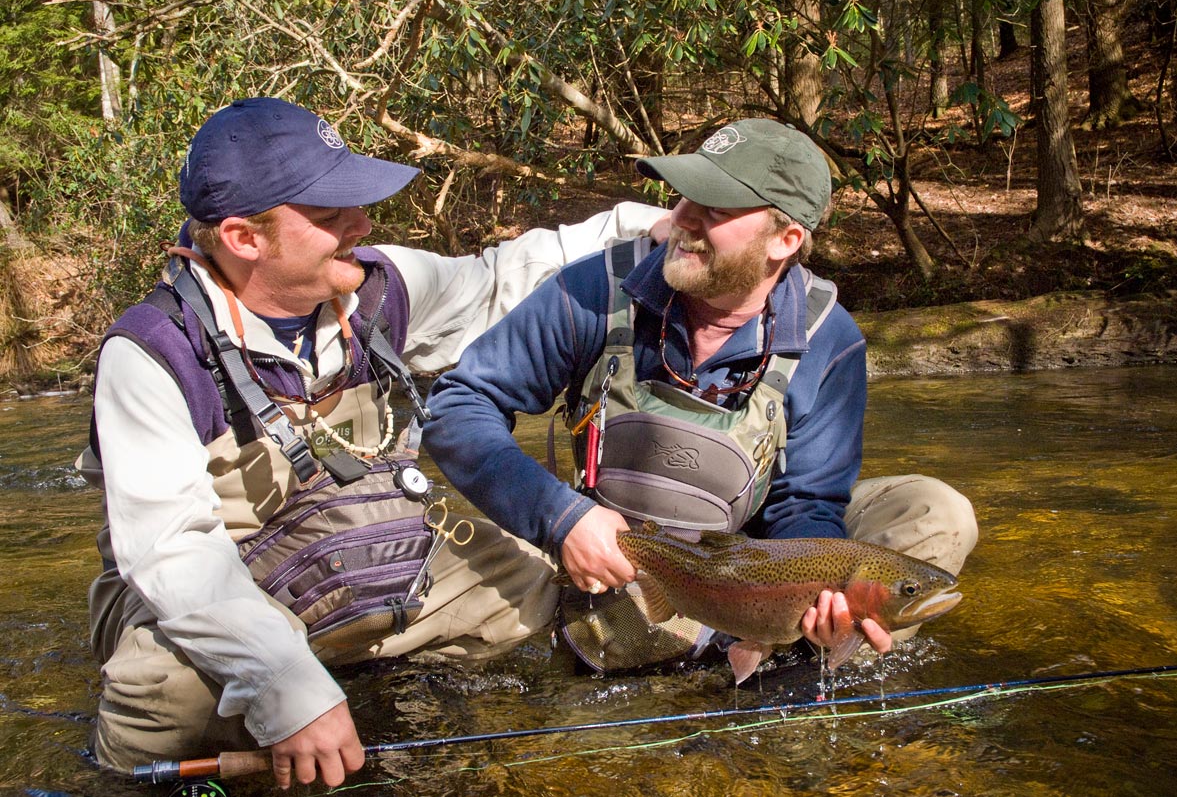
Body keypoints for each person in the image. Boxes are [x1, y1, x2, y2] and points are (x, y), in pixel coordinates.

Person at [75, 97, 668, 788]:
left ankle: (386, 695)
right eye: (330, 216)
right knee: (163, 695)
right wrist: (290, 686)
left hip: (353, 549)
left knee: (529, 585)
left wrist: (643, 229)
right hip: (214, 582)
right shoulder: (151, 352)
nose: (362, 223)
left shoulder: (377, 288)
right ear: (243, 237)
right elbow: (175, 554)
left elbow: (499, 280)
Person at [423, 119, 978, 675]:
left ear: (785, 241)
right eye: (686, 195)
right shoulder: (595, 291)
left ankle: (786, 660)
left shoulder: (830, 341)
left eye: (715, 209)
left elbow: (806, 503)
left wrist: (818, 598)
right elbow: (457, 404)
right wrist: (561, 518)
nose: (683, 218)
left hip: (748, 560)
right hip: (613, 548)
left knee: (937, 512)